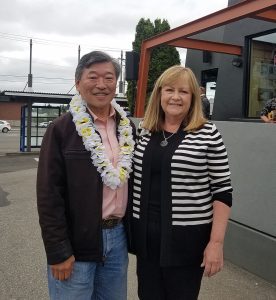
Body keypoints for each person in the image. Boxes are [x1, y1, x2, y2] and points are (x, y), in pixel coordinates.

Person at [37, 51, 135, 300]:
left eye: (109, 78)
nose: (101, 85)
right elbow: (49, 196)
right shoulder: (61, 129)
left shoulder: (127, 128)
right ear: (78, 83)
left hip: (117, 237)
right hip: (76, 241)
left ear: (116, 84)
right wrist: (58, 251)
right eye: (93, 77)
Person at [129, 66, 233, 300]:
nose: (176, 97)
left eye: (183, 92)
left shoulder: (208, 133)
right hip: (146, 239)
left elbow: (223, 191)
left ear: (193, 98)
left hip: (187, 241)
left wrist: (216, 243)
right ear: (159, 94)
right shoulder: (144, 131)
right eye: (169, 90)